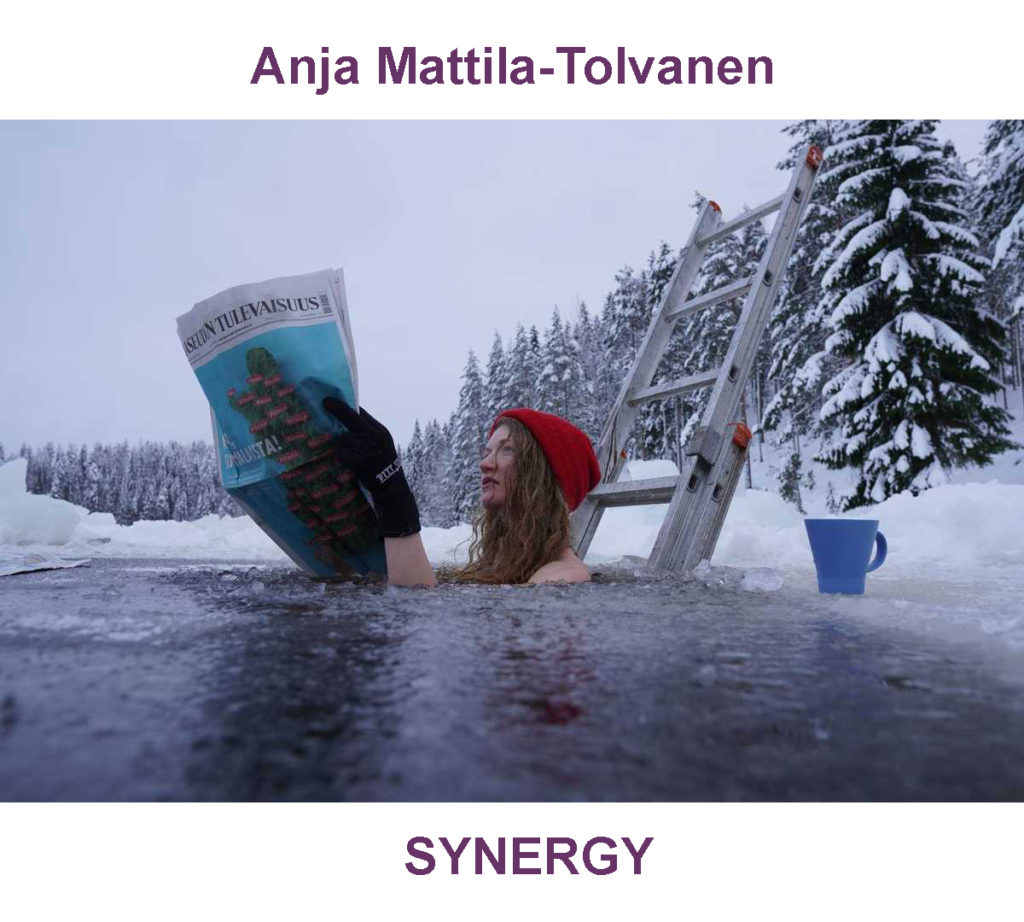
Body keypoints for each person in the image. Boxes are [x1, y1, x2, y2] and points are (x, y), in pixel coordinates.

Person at [322, 398, 600, 587]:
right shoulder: (510, 564)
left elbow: (422, 619)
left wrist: (393, 493)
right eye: (487, 451)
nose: (484, 463)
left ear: (546, 475)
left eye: (507, 449)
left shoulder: (562, 577)